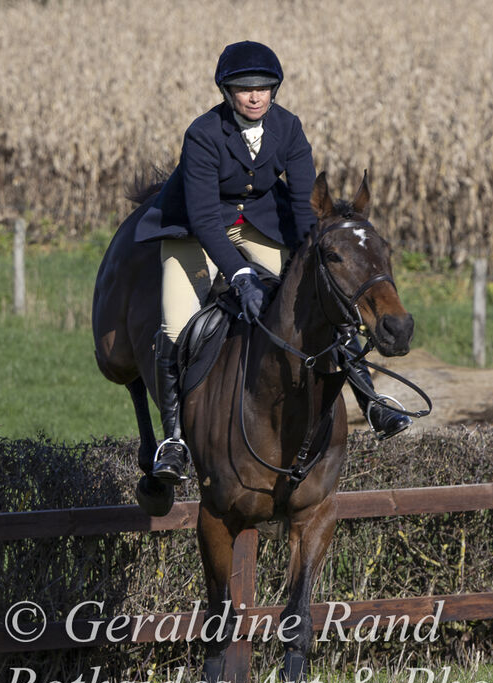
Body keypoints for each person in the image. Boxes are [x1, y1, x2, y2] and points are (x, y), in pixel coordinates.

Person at [135, 41, 411, 484]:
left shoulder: (288, 127)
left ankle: (372, 401)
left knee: (320, 297)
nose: (255, 96)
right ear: (227, 92)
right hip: (195, 231)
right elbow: (205, 218)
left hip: (257, 223)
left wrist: (314, 256)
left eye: (263, 87)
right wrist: (241, 274)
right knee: (175, 323)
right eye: (245, 89)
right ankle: (173, 440)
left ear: (274, 89)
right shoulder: (203, 133)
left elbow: (303, 207)